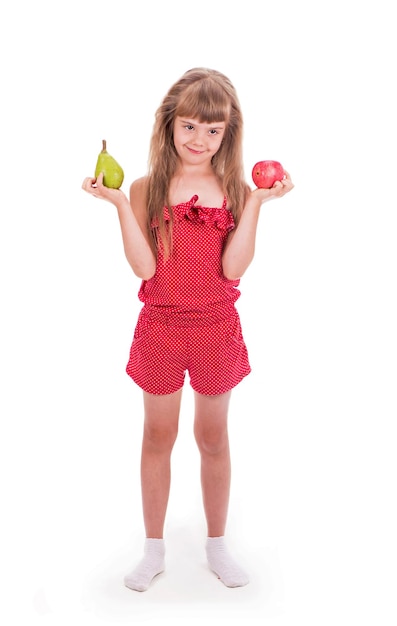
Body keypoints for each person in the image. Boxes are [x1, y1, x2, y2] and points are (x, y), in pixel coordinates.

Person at [82, 67, 294, 592]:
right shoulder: (146, 187)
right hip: (161, 325)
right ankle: (153, 549)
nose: (200, 140)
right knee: (158, 434)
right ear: (170, 125)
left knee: (212, 436)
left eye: (214, 129)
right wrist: (117, 207)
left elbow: (235, 269)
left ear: (229, 133)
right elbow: (145, 269)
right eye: (190, 126)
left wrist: (259, 206)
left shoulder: (235, 189)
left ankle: (217, 546)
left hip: (217, 326)